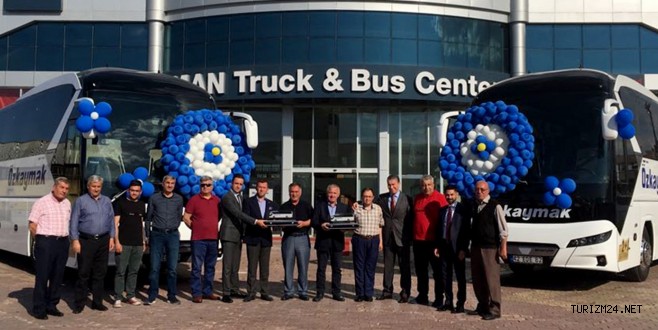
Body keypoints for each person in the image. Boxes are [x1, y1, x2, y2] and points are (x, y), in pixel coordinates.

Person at [70, 175, 115, 313]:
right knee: (83, 273)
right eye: (93, 186)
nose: (96, 189)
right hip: (86, 241)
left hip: (103, 240)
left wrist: (112, 237)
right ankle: (79, 304)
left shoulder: (107, 201)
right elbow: (73, 222)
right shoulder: (80, 201)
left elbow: (111, 220)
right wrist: (75, 240)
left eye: (98, 186)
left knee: (100, 273)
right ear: (88, 186)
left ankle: (97, 302)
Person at [29, 177, 71, 320]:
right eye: (61, 188)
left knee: (57, 276)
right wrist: (40, 241)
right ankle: (38, 308)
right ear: (54, 187)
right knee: (43, 277)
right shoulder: (42, 202)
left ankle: (52, 305)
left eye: (66, 189)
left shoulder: (67, 203)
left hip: (62, 242)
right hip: (46, 242)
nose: (64, 191)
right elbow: (32, 225)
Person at [220, 173, 267, 303]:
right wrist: (255, 221)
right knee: (228, 266)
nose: (238, 186)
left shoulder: (241, 197)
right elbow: (238, 214)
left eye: (241, 184)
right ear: (231, 183)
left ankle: (234, 289)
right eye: (236, 183)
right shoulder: (227, 197)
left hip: (238, 235)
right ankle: (226, 293)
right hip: (228, 235)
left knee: (235, 266)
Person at [469, 180, 508, 320]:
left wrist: (503, 247)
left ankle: (495, 309)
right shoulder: (474, 205)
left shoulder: (495, 206)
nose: (479, 192)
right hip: (476, 247)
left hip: (490, 248)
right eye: (477, 189)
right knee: (478, 278)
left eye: (482, 189)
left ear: (488, 191)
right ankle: (483, 305)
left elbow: (504, 229)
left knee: (491, 279)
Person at [144, 175, 184, 305]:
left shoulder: (179, 199)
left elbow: (179, 217)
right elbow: (148, 218)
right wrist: (147, 236)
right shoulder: (154, 198)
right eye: (167, 183)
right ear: (163, 184)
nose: (170, 185)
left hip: (172, 235)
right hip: (157, 235)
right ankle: (152, 295)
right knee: (154, 267)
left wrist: (173, 227)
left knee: (172, 268)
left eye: (172, 183)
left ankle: (171, 295)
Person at [183, 176, 222, 303]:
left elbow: (219, 217)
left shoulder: (217, 201)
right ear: (200, 186)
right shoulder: (194, 200)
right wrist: (194, 227)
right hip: (198, 239)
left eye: (208, 185)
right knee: (196, 267)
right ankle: (196, 293)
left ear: (212, 186)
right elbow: (186, 217)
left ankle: (208, 291)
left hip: (213, 239)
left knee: (210, 267)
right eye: (203, 185)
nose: (205, 187)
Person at [376, 175, 413, 303]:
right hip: (387, 238)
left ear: (399, 183)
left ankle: (405, 293)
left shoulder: (407, 199)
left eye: (394, 184)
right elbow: (369, 204)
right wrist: (356, 205)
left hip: (403, 238)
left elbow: (412, 219)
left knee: (404, 267)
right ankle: (387, 291)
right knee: (388, 267)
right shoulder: (382, 198)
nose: (391, 187)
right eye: (389, 185)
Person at [434, 185, 470, 313]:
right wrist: (437, 246)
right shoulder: (443, 210)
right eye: (447, 195)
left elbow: (466, 232)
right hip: (444, 247)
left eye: (452, 195)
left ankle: (460, 304)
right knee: (445, 276)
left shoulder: (463, 210)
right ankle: (448, 302)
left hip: (458, 249)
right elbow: (439, 229)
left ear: (457, 194)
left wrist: (463, 249)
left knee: (460, 277)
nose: (449, 197)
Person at [412, 175, 447, 307]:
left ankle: (439, 298)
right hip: (418, 241)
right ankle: (422, 296)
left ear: (434, 185)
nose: (426, 187)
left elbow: (444, 221)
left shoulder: (440, 198)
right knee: (421, 271)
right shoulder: (417, 198)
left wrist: (440, 243)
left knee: (437, 272)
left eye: (429, 185)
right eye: (423, 185)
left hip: (434, 242)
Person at [311, 184, 350, 302]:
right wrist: (320, 225)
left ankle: (336, 292)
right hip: (323, 241)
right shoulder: (319, 206)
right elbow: (314, 221)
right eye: (330, 193)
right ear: (327, 194)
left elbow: (349, 220)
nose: (332, 195)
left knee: (337, 269)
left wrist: (345, 228)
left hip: (337, 242)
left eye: (334, 193)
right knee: (321, 269)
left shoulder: (344, 207)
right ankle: (320, 292)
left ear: (338, 195)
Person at [243, 179, 279, 302]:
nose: (262, 189)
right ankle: (251, 292)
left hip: (265, 239)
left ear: (267, 190)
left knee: (265, 268)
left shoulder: (272, 204)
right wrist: (256, 222)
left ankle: (264, 292)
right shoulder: (248, 202)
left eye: (264, 187)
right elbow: (246, 218)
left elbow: (276, 220)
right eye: (260, 187)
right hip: (252, 237)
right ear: (256, 188)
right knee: (252, 267)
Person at [113, 180, 147, 308]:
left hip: (137, 243)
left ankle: (131, 295)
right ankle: (117, 297)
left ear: (140, 192)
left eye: (137, 191)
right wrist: (117, 241)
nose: (134, 193)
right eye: (132, 190)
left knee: (134, 271)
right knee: (120, 271)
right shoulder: (120, 203)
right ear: (128, 190)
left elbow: (141, 224)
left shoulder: (142, 204)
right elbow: (115, 224)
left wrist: (143, 241)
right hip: (123, 243)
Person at [279, 183, 313, 301]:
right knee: (288, 266)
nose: (294, 194)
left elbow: (313, 220)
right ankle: (289, 291)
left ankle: (303, 291)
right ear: (289, 192)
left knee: (303, 266)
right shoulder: (283, 206)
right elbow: (278, 222)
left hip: (302, 238)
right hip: (288, 238)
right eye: (292, 192)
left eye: (296, 191)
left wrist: (304, 223)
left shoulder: (306, 206)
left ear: (300, 192)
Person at [351, 187, 384, 302]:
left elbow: (380, 226)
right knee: (359, 267)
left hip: (373, 240)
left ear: (373, 198)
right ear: (362, 197)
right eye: (365, 196)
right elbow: (350, 223)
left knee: (370, 267)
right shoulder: (356, 209)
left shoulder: (378, 209)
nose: (367, 198)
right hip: (359, 239)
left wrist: (381, 241)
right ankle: (360, 293)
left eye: (369, 196)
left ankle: (368, 293)